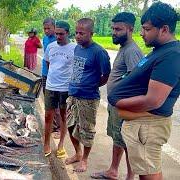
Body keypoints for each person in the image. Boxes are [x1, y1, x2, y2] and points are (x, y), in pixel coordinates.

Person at [108, 2, 180, 180]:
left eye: (147, 29)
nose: (141, 33)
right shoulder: (160, 51)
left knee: (149, 173)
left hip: (148, 127)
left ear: (163, 29)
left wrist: (118, 102)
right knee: (147, 170)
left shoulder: (171, 55)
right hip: (142, 126)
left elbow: (154, 100)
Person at [91, 12, 143, 180]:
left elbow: (135, 80)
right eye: (113, 28)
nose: (114, 32)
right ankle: (113, 171)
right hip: (117, 105)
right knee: (117, 138)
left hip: (124, 106)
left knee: (127, 141)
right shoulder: (124, 48)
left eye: (118, 29)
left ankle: (130, 176)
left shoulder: (132, 51)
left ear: (130, 29)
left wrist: (124, 103)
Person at [65, 18, 111, 172]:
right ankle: (77, 153)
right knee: (70, 126)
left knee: (87, 130)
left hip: (89, 98)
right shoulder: (77, 48)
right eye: (76, 32)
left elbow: (106, 75)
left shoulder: (99, 52)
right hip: (73, 95)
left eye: (82, 33)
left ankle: (84, 160)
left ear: (91, 33)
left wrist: (92, 85)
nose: (78, 36)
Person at [44, 21, 76, 158]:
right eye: (56, 33)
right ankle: (46, 143)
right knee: (48, 116)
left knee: (63, 116)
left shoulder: (75, 48)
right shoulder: (50, 47)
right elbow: (48, 63)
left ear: (68, 33)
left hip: (65, 88)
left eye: (61, 34)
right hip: (51, 86)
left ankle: (61, 144)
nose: (58, 36)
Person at [42, 17, 61, 137]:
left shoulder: (59, 39)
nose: (46, 31)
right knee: (48, 103)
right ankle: (52, 126)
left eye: (49, 28)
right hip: (45, 74)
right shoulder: (45, 39)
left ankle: (58, 128)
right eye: (44, 28)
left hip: (56, 76)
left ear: (54, 27)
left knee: (58, 104)